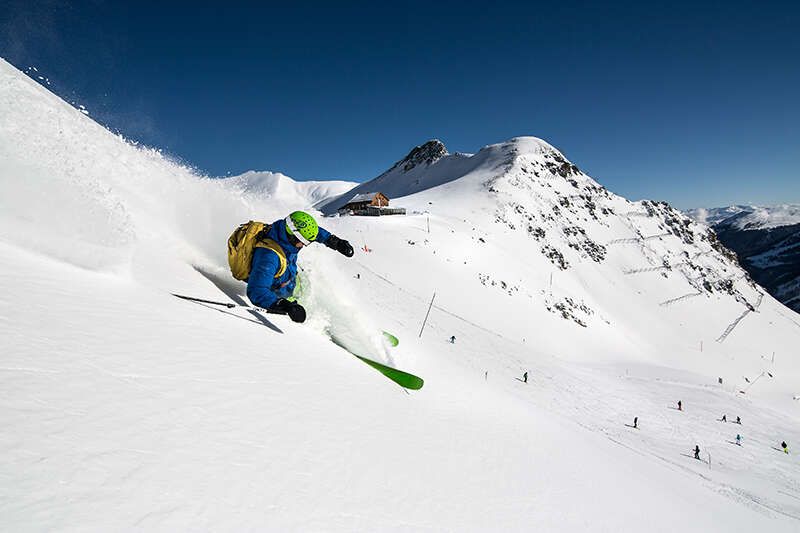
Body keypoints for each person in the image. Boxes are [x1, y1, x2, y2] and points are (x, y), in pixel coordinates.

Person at [230, 211, 353, 323]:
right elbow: (257, 291)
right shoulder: (269, 257)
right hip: (282, 294)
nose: (304, 245)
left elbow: (314, 232)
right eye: (303, 242)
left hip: (291, 279)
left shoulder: (283, 232)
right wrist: (286, 306)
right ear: (293, 236)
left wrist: (335, 242)